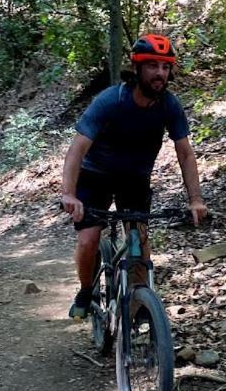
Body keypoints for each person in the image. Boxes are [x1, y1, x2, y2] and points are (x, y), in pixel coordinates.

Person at [60, 33, 207, 319]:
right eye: (152, 65)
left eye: (165, 67)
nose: (160, 73)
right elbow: (76, 150)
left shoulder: (169, 105)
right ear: (137, 68)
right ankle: (85, 289)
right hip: (95, 176)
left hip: (134, 180)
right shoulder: (110, 101)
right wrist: (69, 193)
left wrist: (196, 199)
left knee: (139, 244)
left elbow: (185, 153)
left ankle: (141, 306)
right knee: (89, 239)